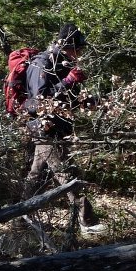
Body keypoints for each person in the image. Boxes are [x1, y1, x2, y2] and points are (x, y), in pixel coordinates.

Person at [22, 22, 106, 236]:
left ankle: (20, 217)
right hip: (46, 129)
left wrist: (90, 101)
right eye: (78, 49)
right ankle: (88, 223)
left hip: (59, 127)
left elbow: (67, 100)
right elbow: (41, 100)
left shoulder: (63, 63)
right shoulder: (42, 63)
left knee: (36, 175)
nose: (80, 54)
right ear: (68, 45)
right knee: (67, 174)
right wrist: (68, 81)